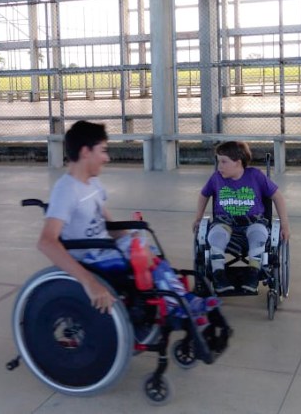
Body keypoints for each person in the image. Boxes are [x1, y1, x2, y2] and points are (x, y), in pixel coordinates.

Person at [37, 120, 215, 330]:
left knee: (148, 251)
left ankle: (173, 300)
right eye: (102, 151)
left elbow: (109, 224)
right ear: (86, 152)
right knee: (143, 257)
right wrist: (89, 282)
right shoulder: (66, 190)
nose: (107, 158)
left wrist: (133, 240)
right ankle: (180, 304)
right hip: (89, 257)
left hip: (104, 249)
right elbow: (46, 242)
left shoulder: (93, 184)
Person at [192, 140, 291, 294]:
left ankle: (253, 274)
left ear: (238, 163)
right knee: (215, 236)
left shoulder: (255, 176)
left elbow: (278, 197)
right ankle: (219, 276)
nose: (220, 166)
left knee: (258, 234)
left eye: (224, 162)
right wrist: (198, 218)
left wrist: (284, 225)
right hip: (225, 223)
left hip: (253, 223)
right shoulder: (216, 178)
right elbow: (203, 195)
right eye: (219, 162)